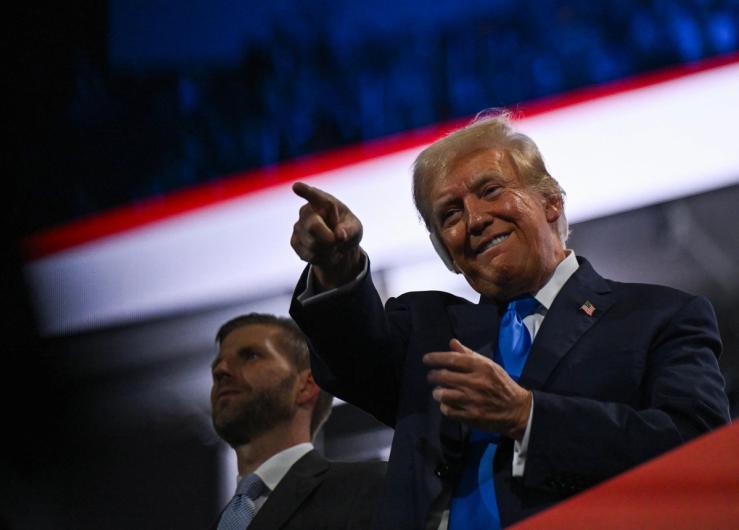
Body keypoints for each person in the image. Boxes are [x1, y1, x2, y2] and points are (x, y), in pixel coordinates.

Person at [288, 111, 730, 529]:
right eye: (451, 214)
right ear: (447, 255)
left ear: (551, 201)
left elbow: (696, 451)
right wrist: (337, 263)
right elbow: (352, 354)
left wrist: (528, 416)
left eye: (491, 190)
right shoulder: (426, 330)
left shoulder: (659, 316)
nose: (476, 219)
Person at [210, 313, 386, 530]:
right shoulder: (221, 522)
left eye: (250, 356)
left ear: (306, 386)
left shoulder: (369, 487)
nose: (220, 371)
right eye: (217, 364)